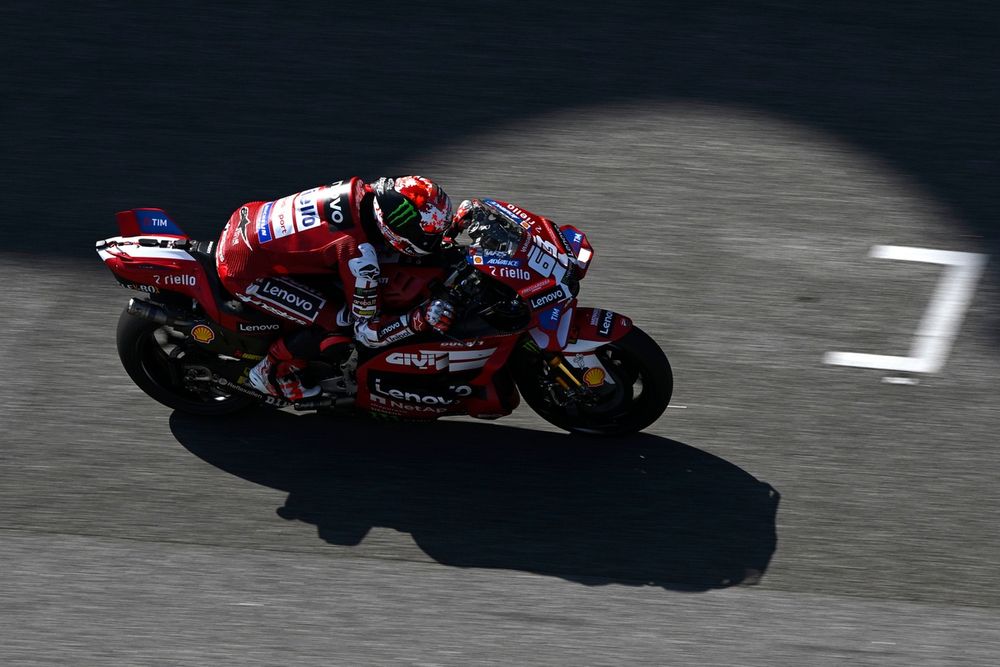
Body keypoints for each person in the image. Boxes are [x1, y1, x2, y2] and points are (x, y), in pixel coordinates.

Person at [215, 175, 456, 400]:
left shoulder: (365, 192)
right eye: (431, 236)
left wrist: (456, 224)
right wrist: (419, 318)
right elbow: (368, 333)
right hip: (244, 270)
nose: (436, 241)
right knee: (340, 321)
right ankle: (270, 371)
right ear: (401, 231)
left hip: (248, 218)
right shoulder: (359, 257)